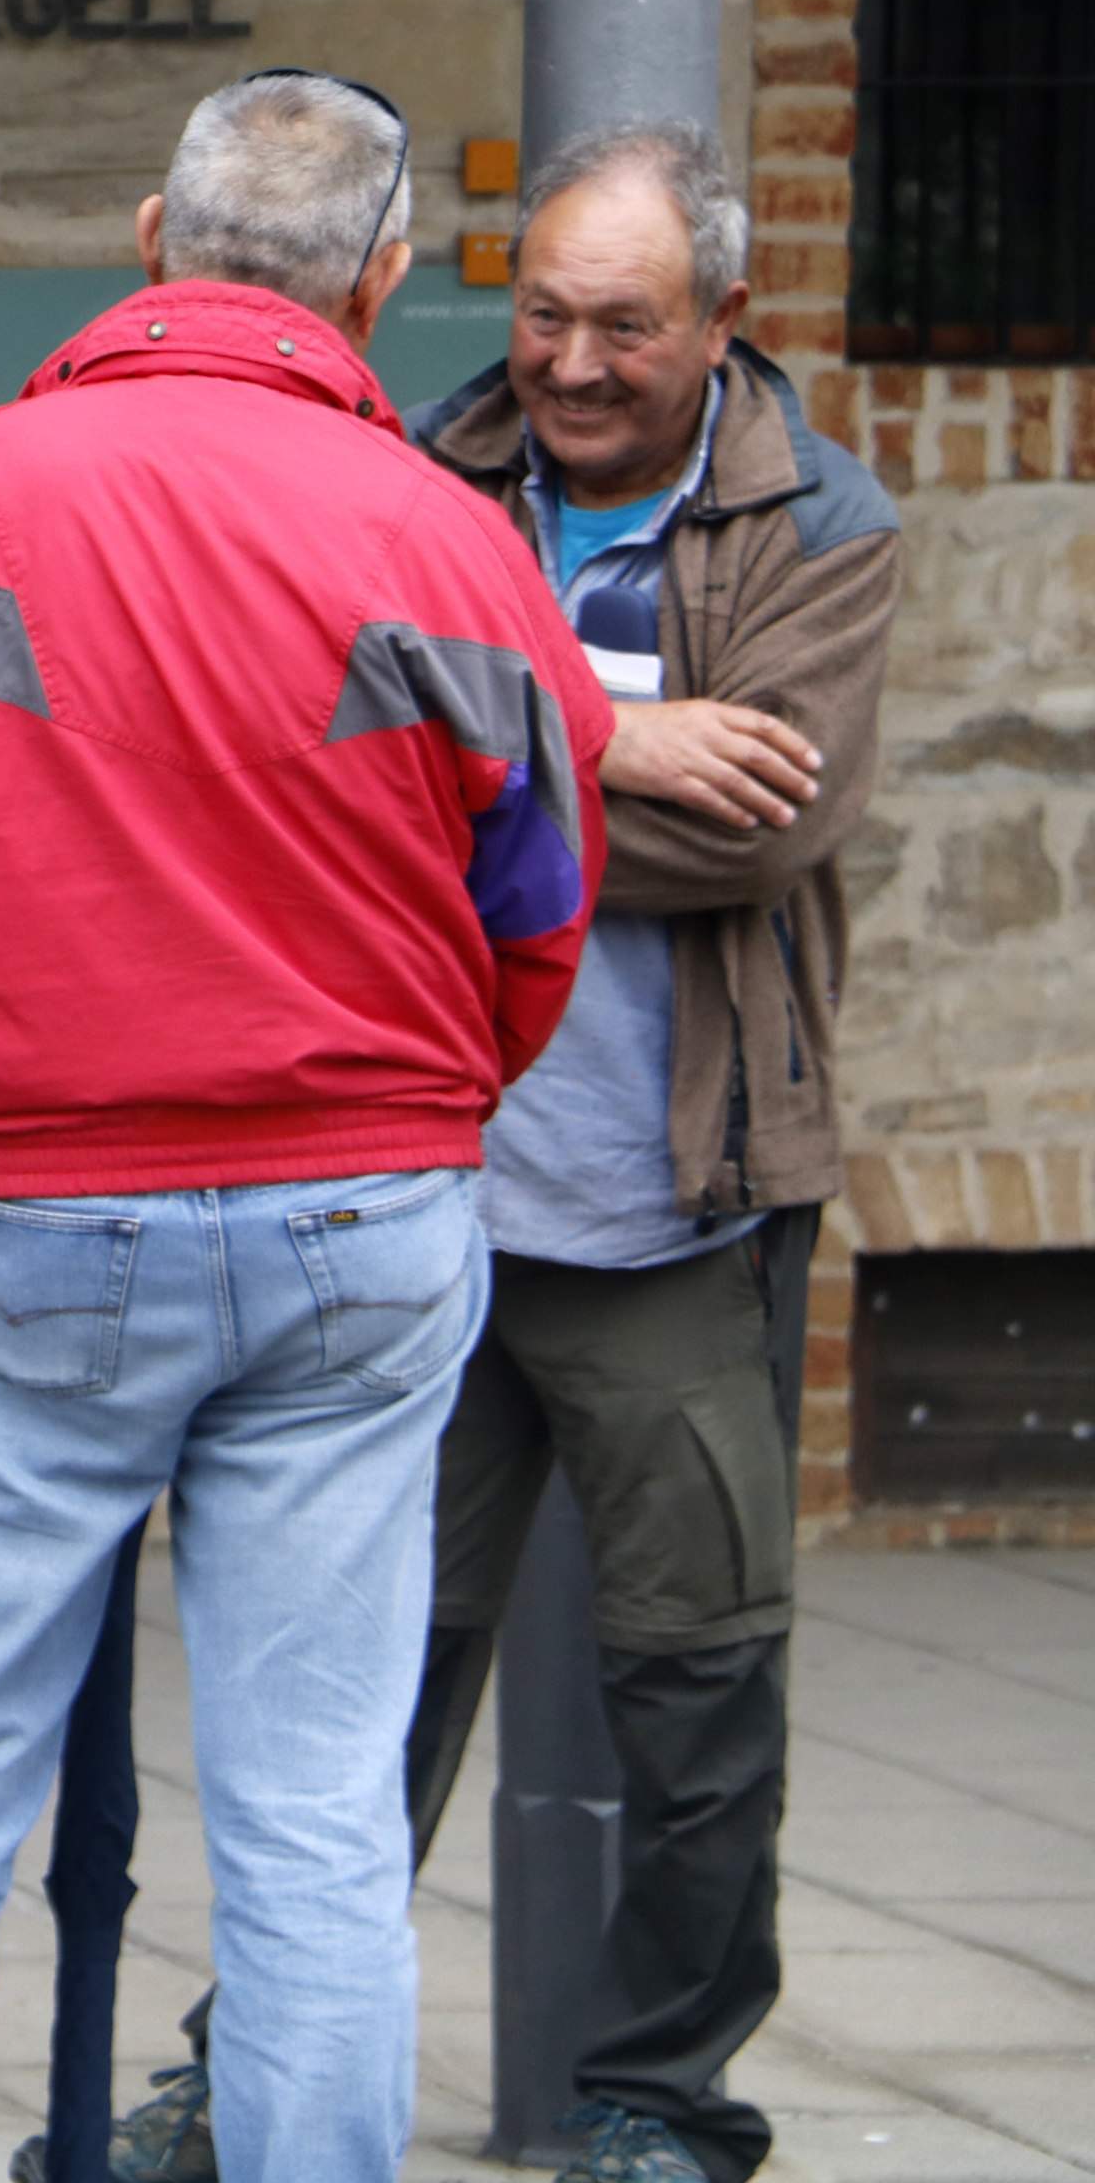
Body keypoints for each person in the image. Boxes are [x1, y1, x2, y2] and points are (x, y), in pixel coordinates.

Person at [0, 70, 615, 2183]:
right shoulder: (450, 537)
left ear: (152, 235)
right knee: (319, 1810)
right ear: (388, 278)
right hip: (364, 1212)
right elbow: (544, 906)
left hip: (29, 1206)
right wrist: (408, 1096)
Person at [106, 122, 895, 2183]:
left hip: (670, 1209)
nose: (568, 359)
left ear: (724, 318)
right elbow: (307, 763)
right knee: (352, 1688)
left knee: (697, 1691)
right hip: (417, 1195)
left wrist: (479, 754)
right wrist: (620, 726)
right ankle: (252, 2070)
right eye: (540, 310)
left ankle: (656, 2099)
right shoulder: (413, 474)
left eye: (623, 324)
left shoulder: (820, 521)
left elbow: (766, 828)